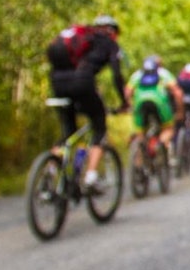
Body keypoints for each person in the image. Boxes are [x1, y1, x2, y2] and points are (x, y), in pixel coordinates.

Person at [46, 15, 129, 192]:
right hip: (82, 84)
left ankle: (50, 171)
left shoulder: (83, 37)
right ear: (113, 31)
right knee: (99, 126)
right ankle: (91, 177)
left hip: (57, 83)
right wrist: (124, 102)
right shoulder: (109, 43)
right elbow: (116, 75)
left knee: (68, 132)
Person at [125, 55, 184, 157]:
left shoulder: (137, 75)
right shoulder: (163, 73)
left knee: (140, 135)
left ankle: (138, 167)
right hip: (160, 103)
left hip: (140, 103)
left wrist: (130, 105)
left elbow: (127, 93)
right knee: (168, 129)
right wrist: (180, 111)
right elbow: (178, 93)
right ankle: (159, 145)